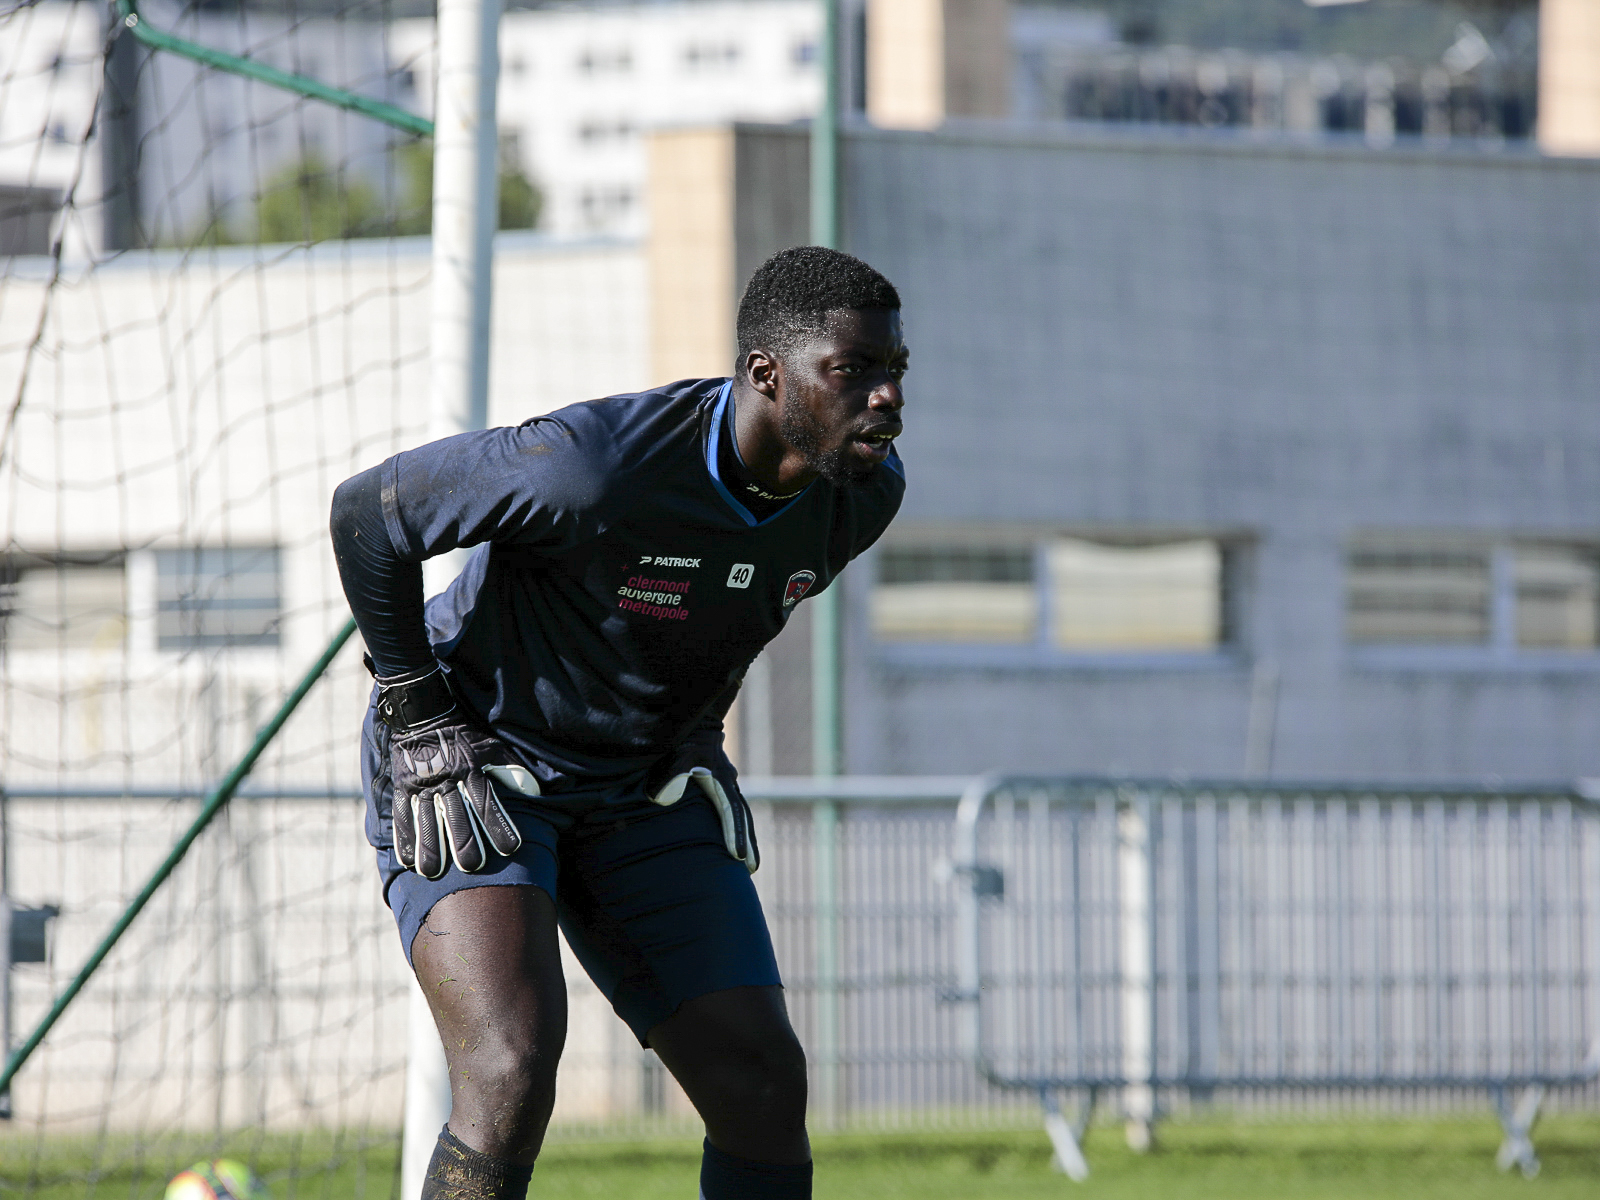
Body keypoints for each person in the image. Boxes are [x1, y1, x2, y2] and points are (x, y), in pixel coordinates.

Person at [330, 245, 908, 1200]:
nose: (885, 396)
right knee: (510, 1068)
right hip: (477, 763)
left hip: (644, 788)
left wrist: (694, 732)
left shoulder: (861, 500)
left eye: (894, 371)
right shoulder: (590, 465)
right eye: (854, 371)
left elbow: (720, 616)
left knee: (762, 1080)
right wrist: (418, 710)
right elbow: (368, 515)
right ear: (767, 373)